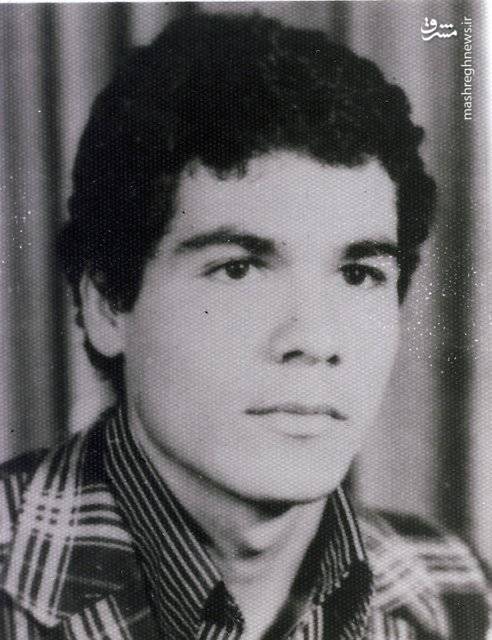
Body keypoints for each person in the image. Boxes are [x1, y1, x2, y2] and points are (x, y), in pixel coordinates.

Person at [0, 11, 489, 640]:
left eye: (359, 274)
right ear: (107, 305)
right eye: (238, 269)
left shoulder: (454, 592)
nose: (313, 340)